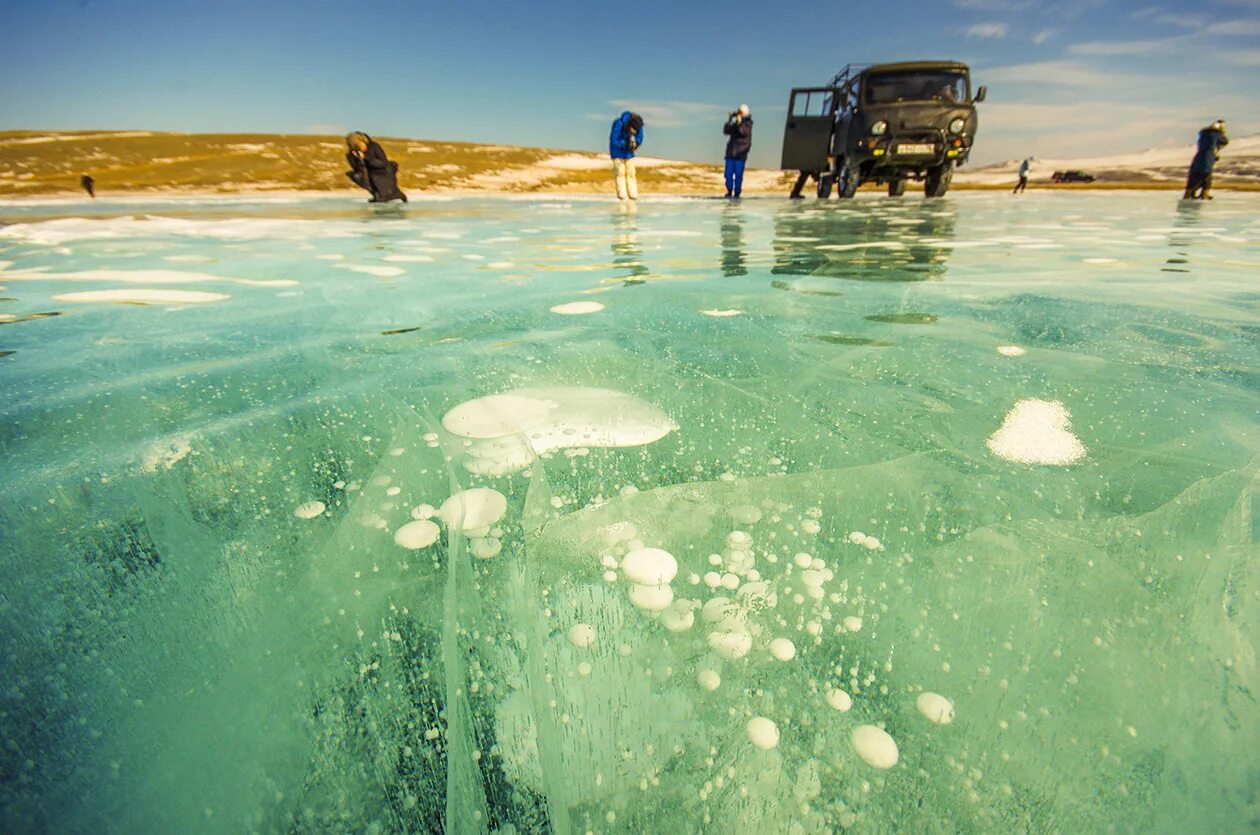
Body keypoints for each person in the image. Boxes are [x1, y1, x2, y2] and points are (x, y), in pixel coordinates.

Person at [345, 132, 407, 203]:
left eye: (362, 144)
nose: (362, 147)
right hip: (370, 177)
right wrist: (358, 159)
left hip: (382, 172)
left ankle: (390, 194)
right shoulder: (351, 155)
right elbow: (358, 169)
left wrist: (366, 157)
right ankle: (376, 194)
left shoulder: (374, 146)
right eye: (359, 146)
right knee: (356, 175)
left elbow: (383, 163)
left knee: (387, 168)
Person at [1183, 119, 1228, 200]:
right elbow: (1225, 141)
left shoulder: (1203, 135)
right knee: (1206, 177)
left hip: (1198, 159)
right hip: (1208, 158)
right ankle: (1204, 194)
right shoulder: (1215, 134)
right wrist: (1222, 133)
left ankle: (1189, 194)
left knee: (1194, 177)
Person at [609, 111, 644, 200]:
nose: (634, 131)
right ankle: (622, 195)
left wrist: (636, 144)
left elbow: (640, 138)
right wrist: (624, 144)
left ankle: (633, 194)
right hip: (617, 152)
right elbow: (614, 139)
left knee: (631, 172)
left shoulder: (638, 126)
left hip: (629, 153)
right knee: (620, 172)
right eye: (633, 129)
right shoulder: (618, 123)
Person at [723, 104, 753, 198]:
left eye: (741, 113)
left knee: (738, 175)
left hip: (741, 153)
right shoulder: (735, 121)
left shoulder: (748, 124)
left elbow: (743, 132)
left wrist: (739, 123)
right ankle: (729, 190)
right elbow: (726, 131)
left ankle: (737, 192)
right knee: (728, 174)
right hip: (731, 152)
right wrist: (730, 122)